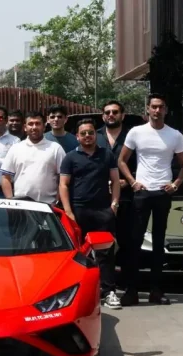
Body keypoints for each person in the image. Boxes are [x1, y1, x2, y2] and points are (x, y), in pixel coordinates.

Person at [117, 93, 183, 306]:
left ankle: (156, 291)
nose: (157, 111)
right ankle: (131, 291)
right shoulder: (136, 132)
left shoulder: (175, 135)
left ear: (166, 110)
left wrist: (175, 184)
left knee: (159, 243)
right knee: (135, 242)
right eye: (153, 107)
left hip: (162, 193)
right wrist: (132, 182)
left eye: (161, 107)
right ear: (147, 109)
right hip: (142, 192)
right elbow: (122, 161)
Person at [59, 119, 121, 309]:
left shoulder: (106, 155)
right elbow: (63, 185)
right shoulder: (70, 157)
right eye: (83, 133)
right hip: (78, 210)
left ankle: (109, 291)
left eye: (91, 132)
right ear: (77, 136)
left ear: (96, 135)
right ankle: (80, 295)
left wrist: (114, 204)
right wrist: (68, 211)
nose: (87, 136)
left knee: (106, 253)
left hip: (103, 210)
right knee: (79, 254)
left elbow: (116, 181)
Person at [96, 100, 135, 294]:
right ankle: (105, 286)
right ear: (103, 116)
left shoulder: (133, 136)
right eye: (107, 112)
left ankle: (128, 285)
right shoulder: (94, 136)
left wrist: (128, 181)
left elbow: (144, 163)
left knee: (128, 242)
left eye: (115, 112)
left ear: (122, 115)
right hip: (101, 200)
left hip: (128, 197)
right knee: (103, 244)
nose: (111, 115)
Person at [1, 111, 66, 205]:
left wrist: (56, 202)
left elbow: (63, 179)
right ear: (25, 127)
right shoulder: (16, 148)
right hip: (21, 206)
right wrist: (11, 202)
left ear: (44, 127)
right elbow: (5, 177)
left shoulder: (56, 148)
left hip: (48, 206)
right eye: (30, 124)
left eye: (38, 124)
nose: (34, 127)